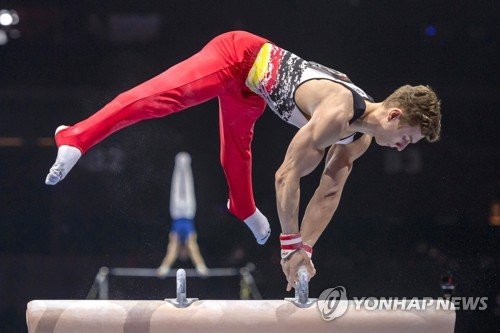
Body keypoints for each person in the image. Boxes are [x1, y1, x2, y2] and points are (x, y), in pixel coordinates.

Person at [44, 31, 441, 290]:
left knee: (237, 152)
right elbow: (287, 175)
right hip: (239, 56)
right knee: (163, 98)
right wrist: (288, 246)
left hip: (254, 93)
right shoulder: (337, 111)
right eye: (407, 137)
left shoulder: (358, 140)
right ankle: (76, 136)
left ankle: (243, 207)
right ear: (393, 115)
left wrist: (306, 251)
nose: (404, 147)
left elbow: (329, 191)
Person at [157, 152, 208, 277]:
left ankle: (179, 163)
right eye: (186, 255)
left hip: (176, 213)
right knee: (188, 187)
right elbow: (193, 249)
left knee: (176, 188)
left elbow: (171, 252)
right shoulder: (190, 239)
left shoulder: (175, 240)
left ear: (180, 253)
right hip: (189, 213)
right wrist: (201, 266)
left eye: (182, 255)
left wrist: (164, 267)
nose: (185, 254)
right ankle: (185, 163)